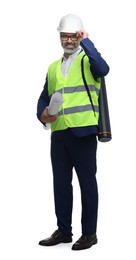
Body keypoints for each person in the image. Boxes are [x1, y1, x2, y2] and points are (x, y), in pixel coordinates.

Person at [37, 14, 110, 251]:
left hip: (83, 132)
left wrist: (87, 42)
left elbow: (104, 68)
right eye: (64, 36)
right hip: (59, 134)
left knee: (87, 184)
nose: (68, 40)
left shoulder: (88, 60)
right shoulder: (53, 67)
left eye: (73, 35)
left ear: (79, 35)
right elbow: (44, 98)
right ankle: (64, 231)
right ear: (59, 36)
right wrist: (42, 115)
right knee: (61, 184)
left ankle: (89, 233)